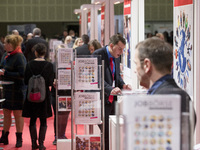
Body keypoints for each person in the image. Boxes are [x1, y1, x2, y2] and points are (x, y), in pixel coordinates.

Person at [134, 37, 196, 148]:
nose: (135, 70)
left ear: (147, 65)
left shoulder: (165, 100)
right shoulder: (176, 95)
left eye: (136, 64)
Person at [92, 34, 132, 150]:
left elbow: (117, 76)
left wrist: (123, 85)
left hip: (113, 100)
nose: (121, 52)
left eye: (123, 49)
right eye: (119, 48)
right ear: (111, 45)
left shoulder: (116, 56)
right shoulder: (97, 54)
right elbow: (96, 77)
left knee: (114, 131)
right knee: (106, 132)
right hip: (101, 99)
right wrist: (110, 89)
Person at [22, 43, 54, 150]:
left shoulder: (29, 64)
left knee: (32, 119)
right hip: (44, 97)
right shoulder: (49, 65)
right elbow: (50, 82)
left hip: (31, 96)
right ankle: (41, 144)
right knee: (43, 120)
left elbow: (26, 81)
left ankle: (33, 143)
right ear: (44, 53)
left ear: (35, 52)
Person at [0, 34, 27, 147]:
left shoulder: (20, 57)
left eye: (6, 43)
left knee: (17, 114)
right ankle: (4, 136)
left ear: (11, 45)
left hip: (17, 89)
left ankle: (19, 138)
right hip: (7, 88)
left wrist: (6, 73)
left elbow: (22, 74)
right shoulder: (6, 55)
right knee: (6, 112)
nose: (4, 44)